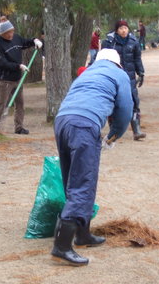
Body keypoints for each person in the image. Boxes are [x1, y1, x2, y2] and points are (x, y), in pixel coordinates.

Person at [51, 49, 133, 266]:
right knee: (84, 182)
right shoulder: (119, 74)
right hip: (84, 125)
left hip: (62, 122)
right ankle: (62, 246)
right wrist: (114, 135)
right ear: (118, 63)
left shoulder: (87, 72)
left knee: (72, 179)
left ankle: (82, 234)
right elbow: (125, 109)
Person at [0, 16, 42, 134]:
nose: (10, 35)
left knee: (20, 104)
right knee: (0, 103)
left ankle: (19, 127)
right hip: (4, 80)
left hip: (17, 79)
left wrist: (34, 41)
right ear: (2, 34)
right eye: (7, 33)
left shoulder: (16, 38)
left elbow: (25, 42)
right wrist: (18, 66)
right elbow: (2, 63)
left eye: (11, 32)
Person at [102, 20, 146, 140]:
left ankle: (137, 131)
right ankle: (113, 132)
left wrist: (141, 72)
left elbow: (137, 59)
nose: (124, 30)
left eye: (125, 28)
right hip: (114, 77)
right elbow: (103, 59)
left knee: (134, 103)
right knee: (113, 104)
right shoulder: (109, 43)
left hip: (129, 78)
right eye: (121, 28)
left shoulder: (133, 42)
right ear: (117, 30)